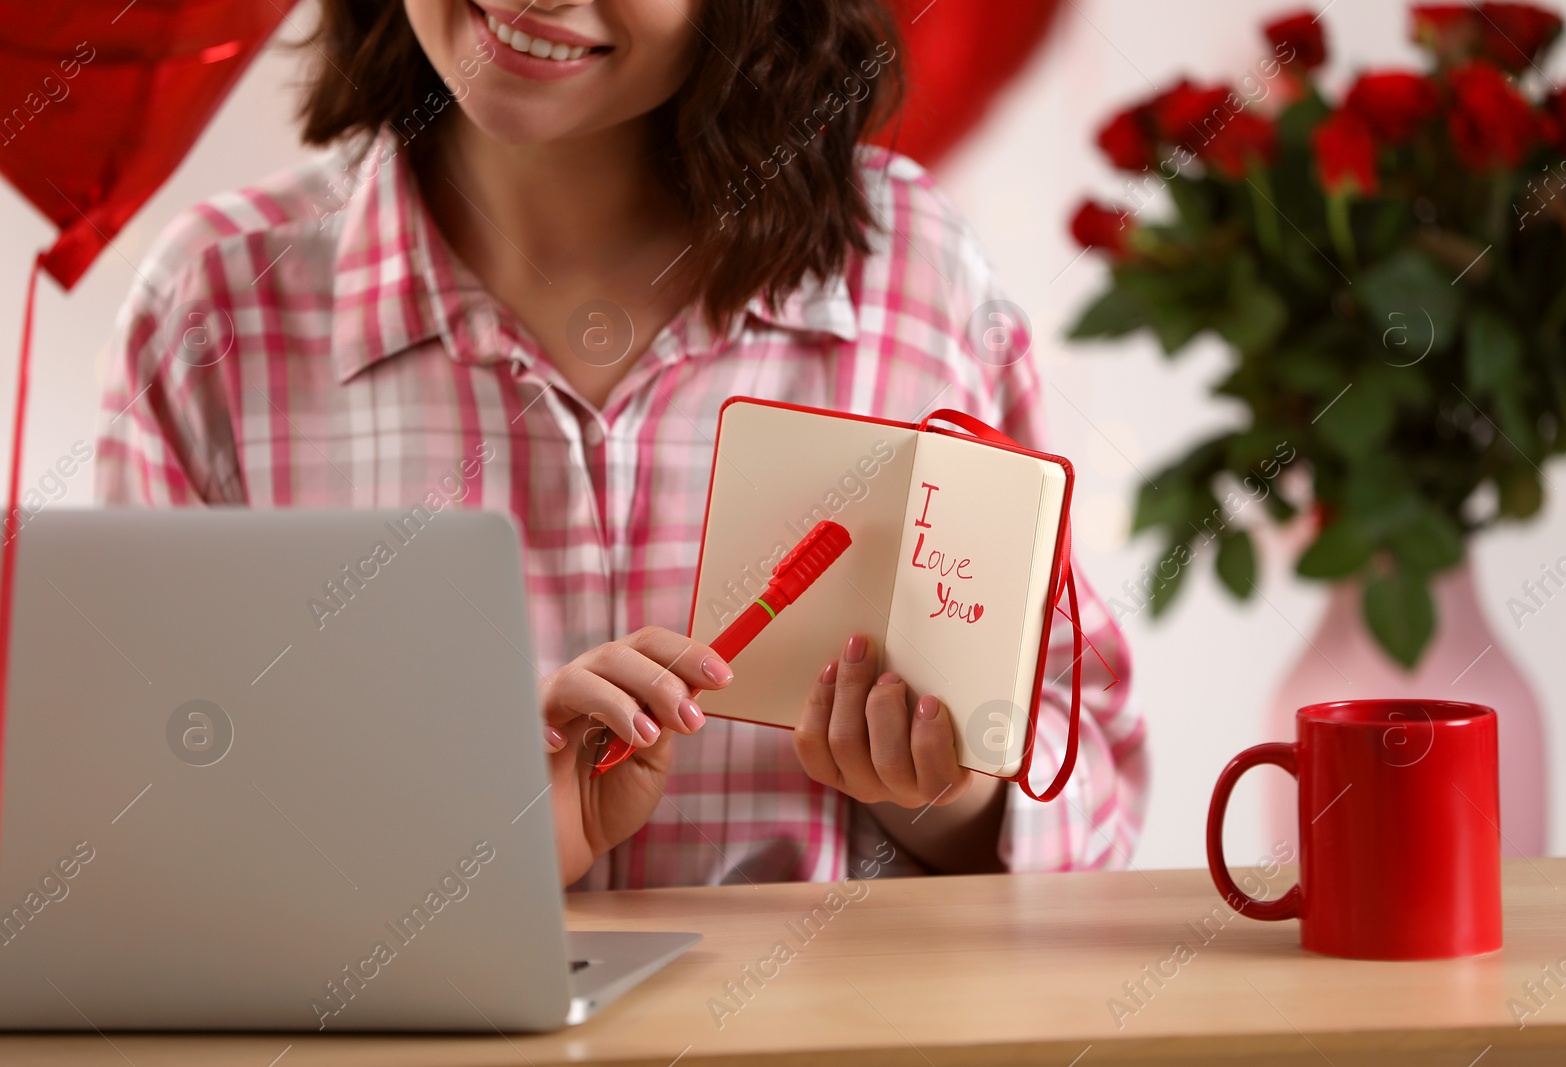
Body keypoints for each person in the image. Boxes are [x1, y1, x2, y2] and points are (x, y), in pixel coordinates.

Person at [96, 0, 1147, 888]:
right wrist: (481, 849)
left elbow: (1089, 798)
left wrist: (956, 797)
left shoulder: (914, 272)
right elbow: (131, 834)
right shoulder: (217, 305)